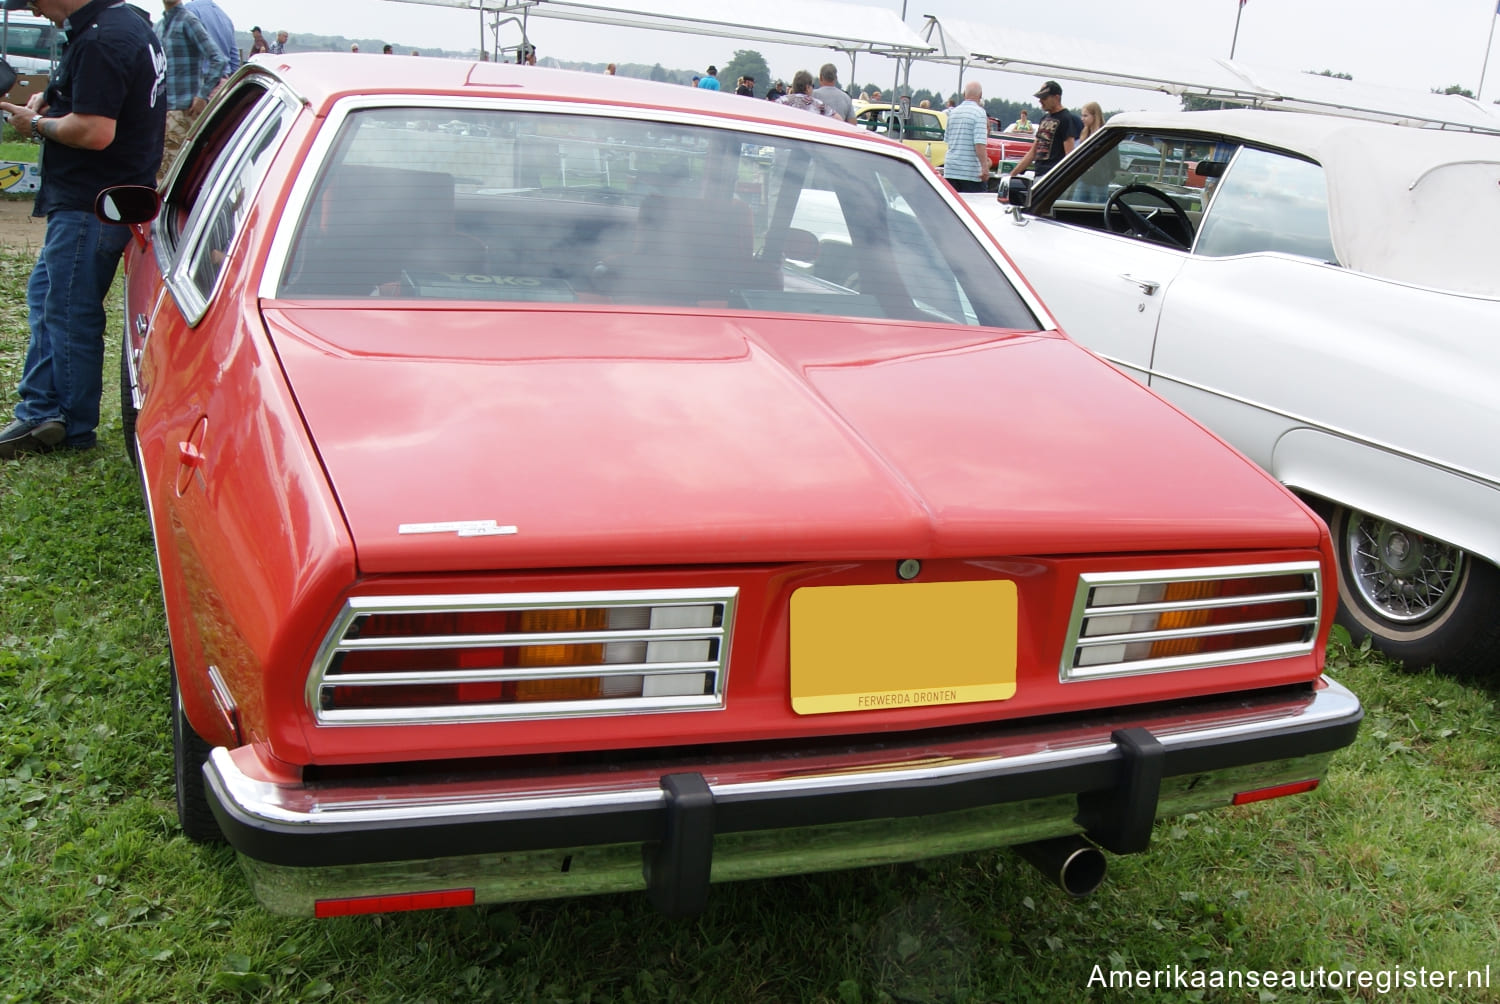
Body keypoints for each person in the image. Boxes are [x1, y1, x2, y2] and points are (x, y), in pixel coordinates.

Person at [0, 0, 166, 460]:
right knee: (47, 299)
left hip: (92, 200)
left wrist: (33, 122)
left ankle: (67, 427)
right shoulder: (124, 22)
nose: (34, 11)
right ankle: (41, 409)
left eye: (34, 1)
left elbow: (94, 131)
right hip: (104, 195)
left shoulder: (100, 38)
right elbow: (101, 103)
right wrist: (52, 103)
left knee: (70, 312)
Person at [158, 0, 227, 185]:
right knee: (161, 176)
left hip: (183, 111)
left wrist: (202, 95)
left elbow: (218, 59)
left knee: (174, 179)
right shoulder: (160, 25)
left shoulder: (187, 20)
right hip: (164, 111)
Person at [1011, 80, 1082, 178]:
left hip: (1054, 177)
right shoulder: (1044, 119)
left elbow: (1069, 155)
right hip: (1039, 174)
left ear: (1056, 97)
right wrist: (1012, 174)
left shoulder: (1066, 118)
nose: (1040, 101)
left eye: (1044, 97)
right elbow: (1033, 151)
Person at [941, 79, 988, 192]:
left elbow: (948, 141)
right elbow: (979, 145)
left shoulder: (952, 113)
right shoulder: (980, 113)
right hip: (969, 173)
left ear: (964, 94)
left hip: (951, 169)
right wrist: (984, 167)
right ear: (980, 95)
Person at [1073, 101, 1117, 203]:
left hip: (1099, 182)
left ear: (1095, 116)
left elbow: (1114, 160)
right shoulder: (1084, 134)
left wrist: (1104, 174)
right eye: (1082, 115)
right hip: (1084, 179)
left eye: (1085, 115)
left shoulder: (1105, 136)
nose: (1082, 118)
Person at [185, 0, 238, 74]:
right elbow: (234, 60)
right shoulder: (225, 17)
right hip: (225, 81)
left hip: (200, 80)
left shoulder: (189, 10)